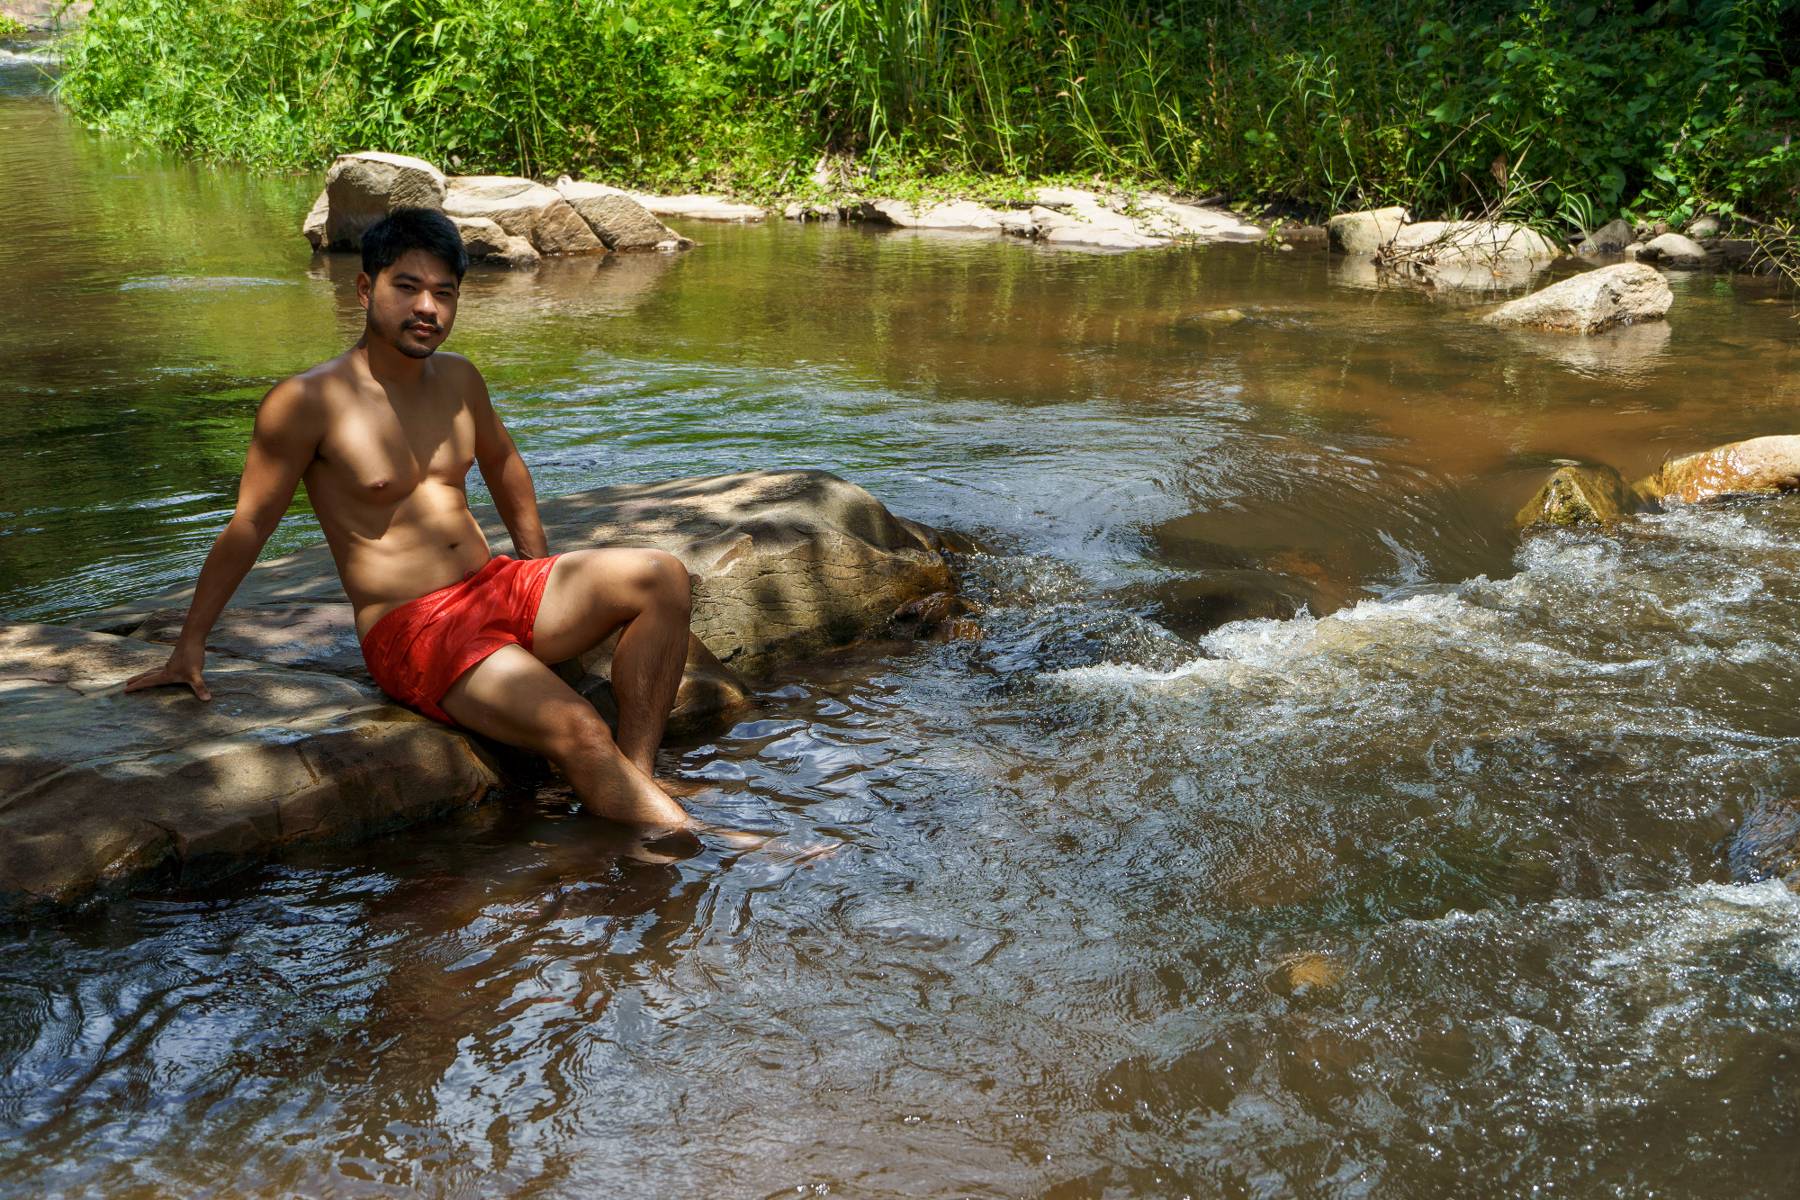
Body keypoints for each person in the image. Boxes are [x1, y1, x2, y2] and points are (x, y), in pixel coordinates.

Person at [125, 207, 700, 834]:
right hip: (416, 628)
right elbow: (249, 527)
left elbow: (504, 464)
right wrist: (190, 646)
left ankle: (638, 775)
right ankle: (694, 848)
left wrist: (537, 567)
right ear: (366, 289)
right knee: (578, 727)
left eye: (444, 293)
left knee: (660, 574)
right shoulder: (307, 403)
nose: (427, 307)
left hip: (495, 585)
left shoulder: (458, 379)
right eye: (407, 287)